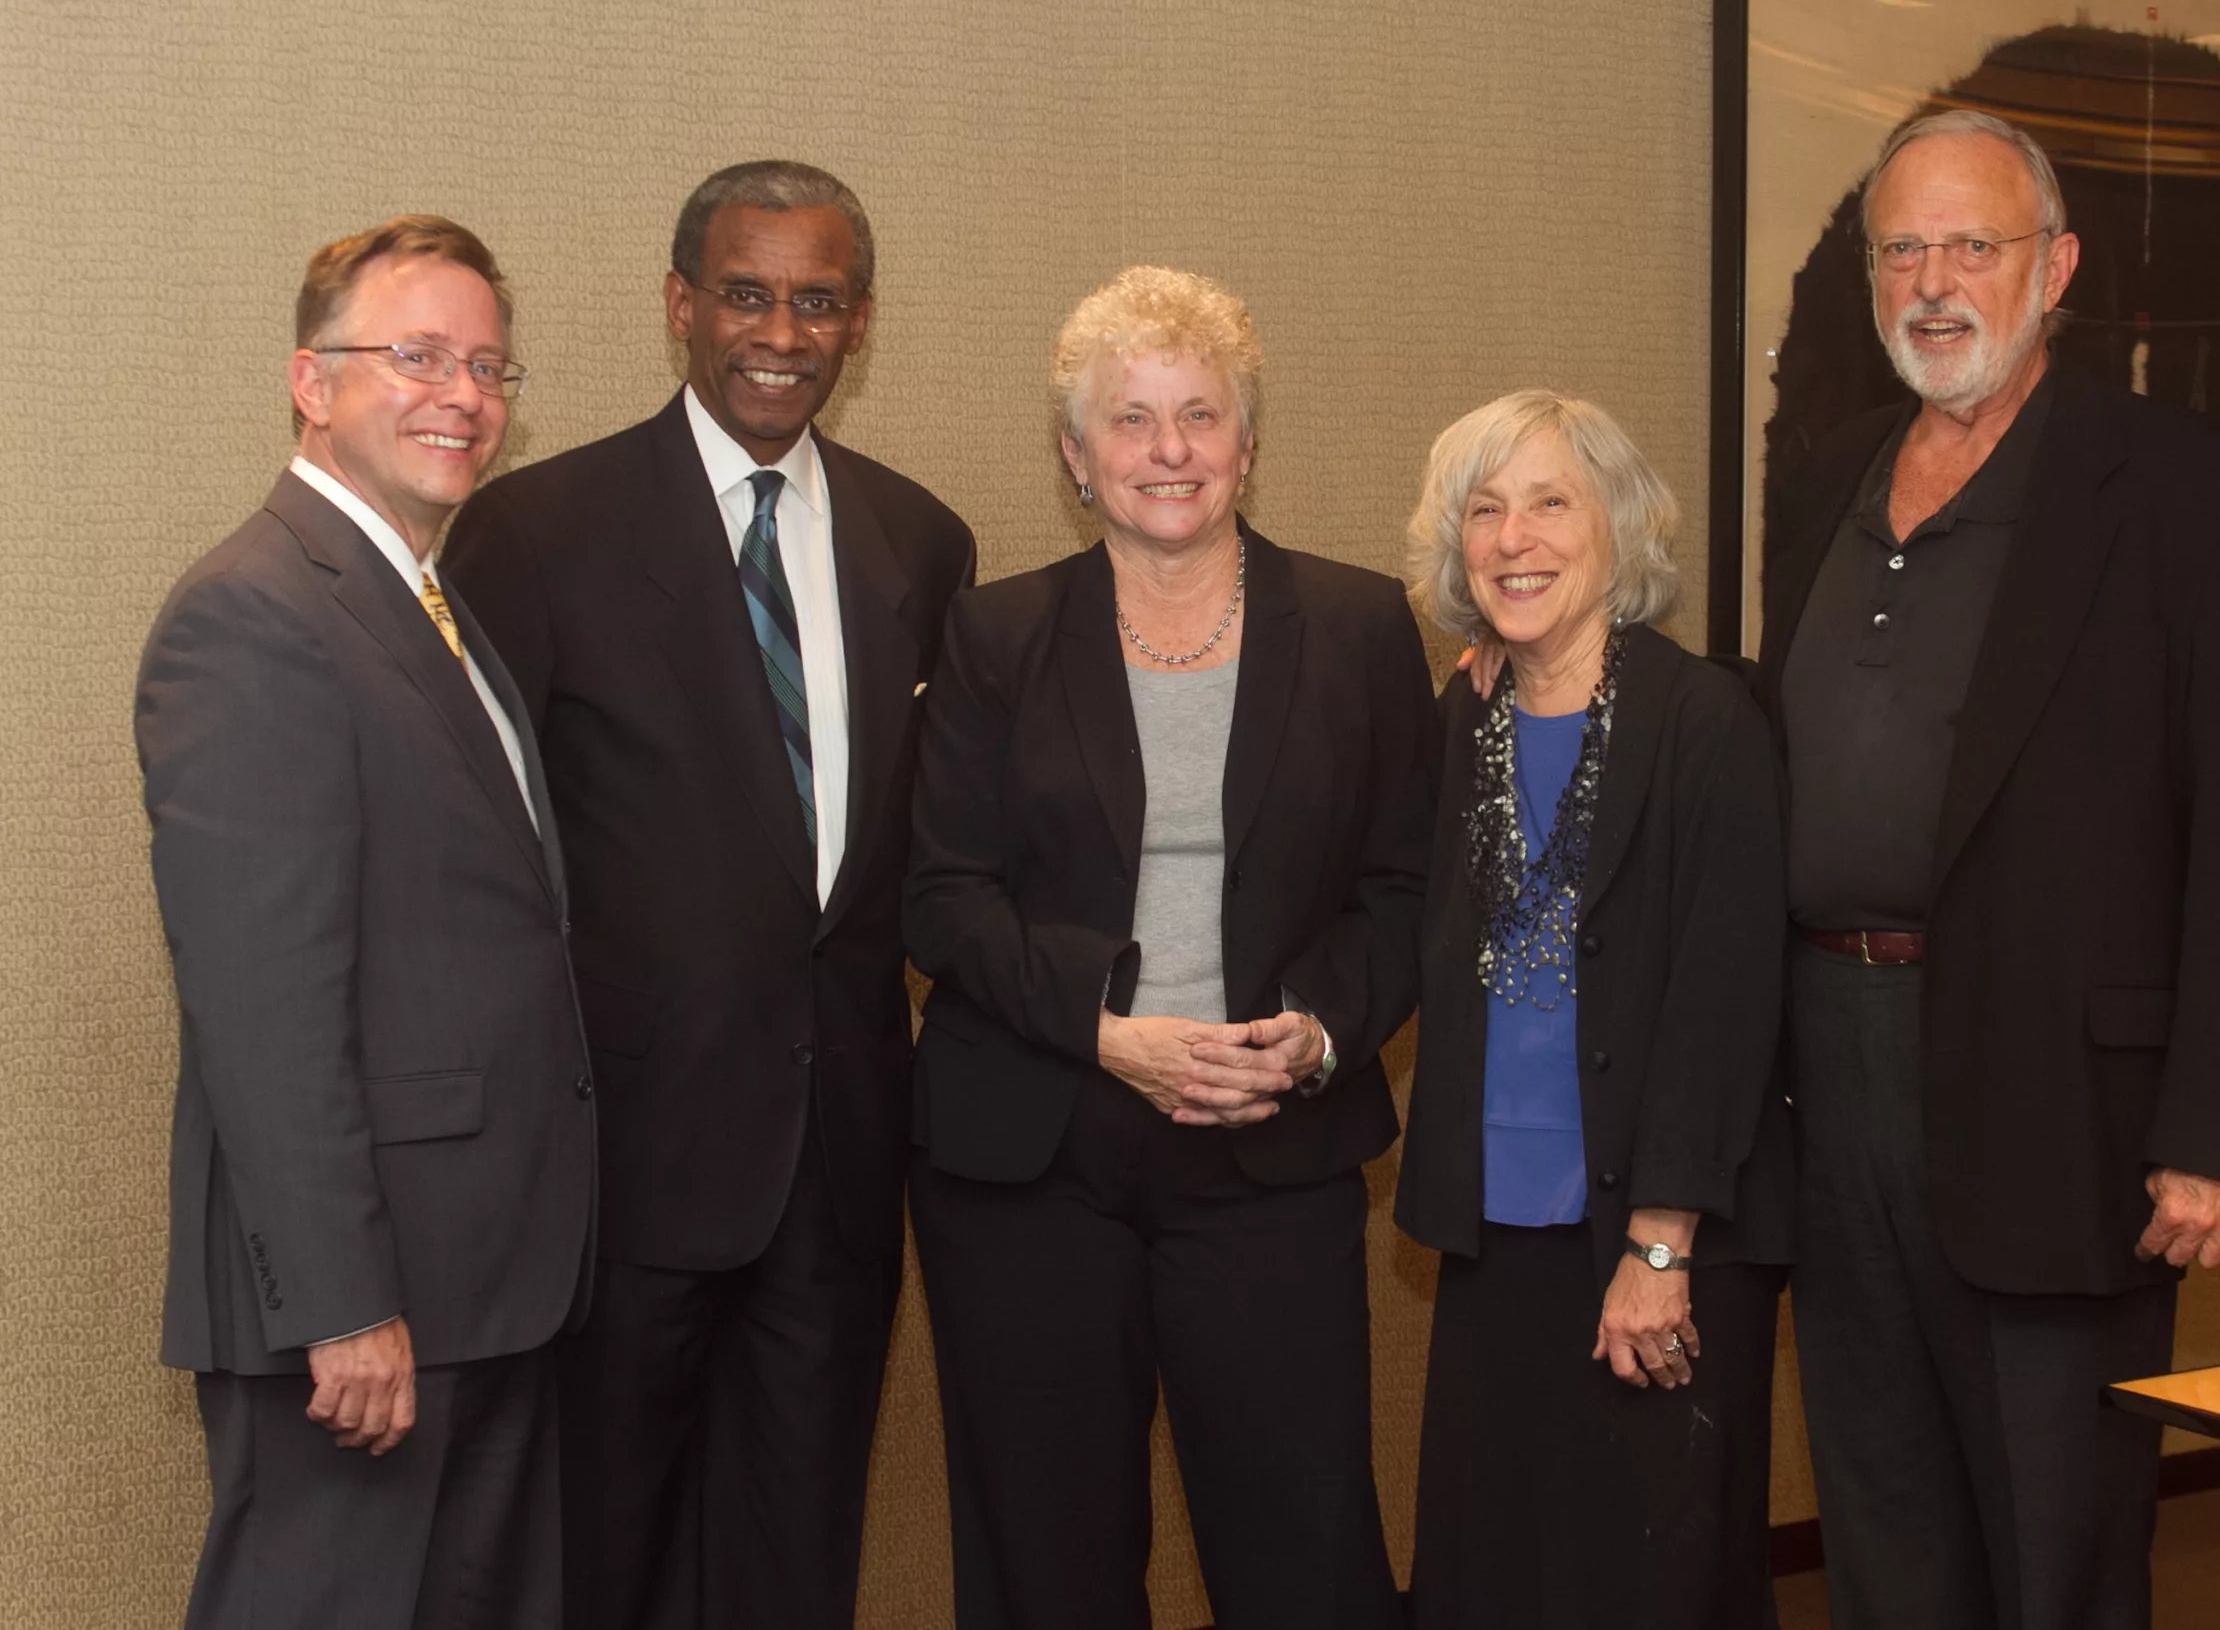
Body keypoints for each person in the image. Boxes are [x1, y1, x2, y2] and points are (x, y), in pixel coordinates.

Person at [1757, 108, 2220, 1630]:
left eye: (1973, 245)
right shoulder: (1823, 482)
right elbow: (1745, 744)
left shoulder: (2191, 493)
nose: (1933, 282)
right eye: (1902, 248)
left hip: (2068, 1106)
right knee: (1883, 1520)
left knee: (2054, 1549)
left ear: (2054, 265)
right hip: (1834, 1078)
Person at [439, 161, 975, 1630]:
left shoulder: (920, 544)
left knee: (797, 1558)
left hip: (839, 1165)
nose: (780, 332)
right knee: (602, 1556)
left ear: (858, 324)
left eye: (817, 301)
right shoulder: (534, 529)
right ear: (682, 304)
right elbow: (487, 867)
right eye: (747, 292)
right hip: (621, 1165)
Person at [901, 265, 1436, 1630]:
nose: (1170, 450)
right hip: (1036, 1154)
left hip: (1269, 1148)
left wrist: (1316, 1030)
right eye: (1130, 421)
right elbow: (942, 891)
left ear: (1248, 442)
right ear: (1077, 457)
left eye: (1200, 414)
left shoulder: (1363, 626)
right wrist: (1104, 1030)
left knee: (1304, 1542)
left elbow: (1408, 885)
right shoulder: (998, 634)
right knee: (1050, 1555)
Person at [136, 215, 593, 1629]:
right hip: (365, 1300)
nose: (462, 393)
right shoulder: (254, 615)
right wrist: (341, 1302)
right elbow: (264, 1003)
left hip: (485, 1275)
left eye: (488, 366)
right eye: (416, 356)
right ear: (309, 379)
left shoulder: (430, 605)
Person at [1393, 391, 1791, 1628]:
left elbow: (1727, 1000)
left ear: (1616, 528)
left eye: (1550, 503)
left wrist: (1659, 1246)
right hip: (1493, 1220)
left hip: (1655, 1229)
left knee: (1650, 1572)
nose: (1515, 539)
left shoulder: (1703, 723)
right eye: (1485, 510)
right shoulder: (1464, 717)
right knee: (1497, 1561)